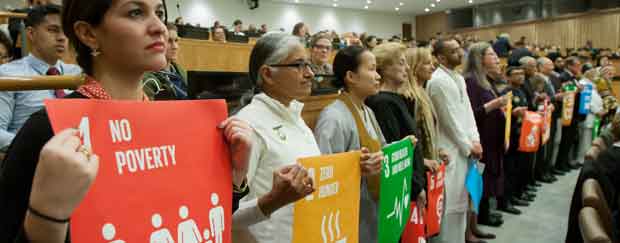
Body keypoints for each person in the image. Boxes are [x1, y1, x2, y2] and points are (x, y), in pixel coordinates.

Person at [0, 1, 309, 242]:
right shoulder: (49, 132)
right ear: (88, 33)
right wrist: (48, 214)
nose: (159, 26)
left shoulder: (183, 121)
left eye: (159, 12)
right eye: (136, 12)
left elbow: (199, 227)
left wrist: (234, 179)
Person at [232, 33, 379, 243]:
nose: (310, 73)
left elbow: (313, 180)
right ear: (268, 74)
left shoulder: (296, 118)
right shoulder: (248, 125)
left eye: (309, 65)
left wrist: (354, 168)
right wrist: (271, 201)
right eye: (299, 65)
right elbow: (225, 216)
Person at [314, 46, 385, 243]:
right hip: (347, 217)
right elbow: (325, 175)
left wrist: (403, 148)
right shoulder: (333, 118)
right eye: (371, 69)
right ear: (351, 76)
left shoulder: (367, 111)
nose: (378, 76)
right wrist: (357, 167)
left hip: (371, 209)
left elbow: (382, 150)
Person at [365, 43, 437, 236]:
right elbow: (397, 151)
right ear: (385, 68)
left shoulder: (396, 99)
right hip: (402, 187)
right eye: (401, 63)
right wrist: (416, 187)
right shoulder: (382, 102)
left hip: (410, 182)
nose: (407, 68)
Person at [0, 4, 81, 152]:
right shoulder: (8, 75)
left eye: (65, 32)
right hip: (30, 160)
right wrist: (36, 147)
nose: (62, 38)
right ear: (31, 34)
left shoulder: (77, 74)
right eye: (53, 30)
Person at [427, 38, 482, 243]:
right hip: (450, 148)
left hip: (465, 148)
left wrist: (476, 140)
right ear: (441, 57)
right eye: (454, 51)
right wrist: (469, 146)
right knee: (449, 210)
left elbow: (467, 113)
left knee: (462, 206)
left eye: (460, 49)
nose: (460, 54)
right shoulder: (438, 81)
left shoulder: (458, 78)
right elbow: (450, 121)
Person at [462, 42, 507, 239]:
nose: (496, 57)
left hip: (490, 141)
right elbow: (471, 115)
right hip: (479, 142)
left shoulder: (485, 80)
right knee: (473, 187)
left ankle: (474, 226)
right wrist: (494, 104)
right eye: (491, 54)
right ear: (479, 58)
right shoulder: (471, 81)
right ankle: (469, 231)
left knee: (479, 188)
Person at [143, 23, 188, 100]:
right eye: (169, 41)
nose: (175, 46)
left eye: (176, 41)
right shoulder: (148, 79)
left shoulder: (181, 72)